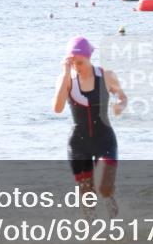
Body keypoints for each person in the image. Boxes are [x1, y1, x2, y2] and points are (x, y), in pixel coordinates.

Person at [53, 36, 127, 217]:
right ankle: (90, 238)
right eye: (73, 63)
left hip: (105, 141)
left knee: (104, 188)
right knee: (87, 197)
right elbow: (57, 108)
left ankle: (111, 209)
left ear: (89, 57)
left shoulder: (107, 76)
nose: (77, 67)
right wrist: (65, 73)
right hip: (79, 144)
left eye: (80, 62)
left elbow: (123, 97)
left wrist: (120, 105)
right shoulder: (67, 80)